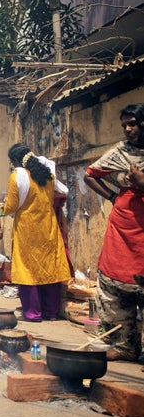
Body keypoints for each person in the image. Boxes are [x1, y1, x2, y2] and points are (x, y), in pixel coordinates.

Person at [84, 104, 144, 362]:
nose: (128, 130)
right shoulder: (121, 153)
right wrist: (111, 195)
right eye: (124, 126)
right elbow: (90, 175)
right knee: (115, 283)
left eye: (132, 123)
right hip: (123, 224)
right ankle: (125, 346)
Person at [0, 143, 71, 322]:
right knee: (49, 269)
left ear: (16, 161)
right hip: (48, 227)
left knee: (27, 270)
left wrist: (3, 205)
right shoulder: (48, 174)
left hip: (27, 229)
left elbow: (11, 207)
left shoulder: (17, 176)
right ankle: (51, 312)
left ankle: (33, 313)